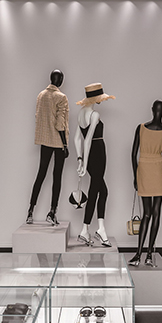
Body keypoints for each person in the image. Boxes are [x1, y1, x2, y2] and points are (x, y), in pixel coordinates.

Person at [130, 99, 162, 267]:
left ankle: (139, 254)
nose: (158, 112)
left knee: (147, 214)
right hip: (158, 172)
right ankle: (147, 255)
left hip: (145, 170)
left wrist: (136, 175)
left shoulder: (141, 128)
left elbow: (133, 155)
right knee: (155, 213)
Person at [74, 83, 116, 246]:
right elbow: (87, 140)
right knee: (95, 192)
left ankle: (97, 229)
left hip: (90, 156)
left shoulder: (81, 114)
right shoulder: (94, 114)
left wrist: (80, 159)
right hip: (97, 154)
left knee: (102, 191)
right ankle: (88, 230)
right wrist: (84, 163)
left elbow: (77, 139)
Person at [28, 69, 69, 225]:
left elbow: (38, 117)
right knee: (57, 177)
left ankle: (30, 211)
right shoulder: (61, 97)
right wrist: (64, 144)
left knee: (41, 174)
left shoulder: (41, 95)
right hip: (58, 142)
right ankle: (52, 212)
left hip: (45, 141)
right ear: (60, 80)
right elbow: (60, 123)